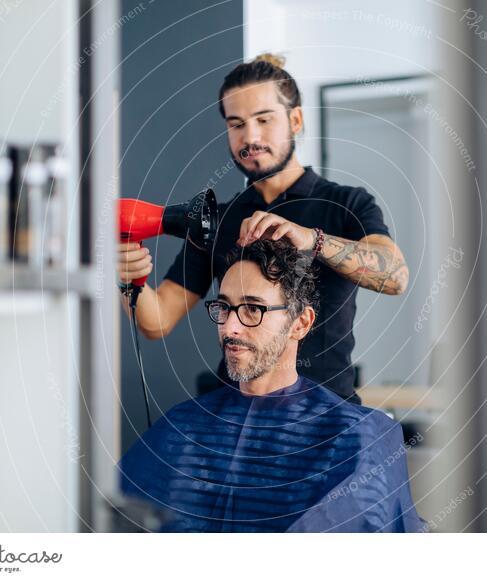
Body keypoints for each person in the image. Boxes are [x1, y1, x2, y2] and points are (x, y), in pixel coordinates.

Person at [117, 53, 409, 402]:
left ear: (296, 119)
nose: (250, 137)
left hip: (325, 417)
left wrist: (312, 240)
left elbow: (395, 276)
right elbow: (158, 319)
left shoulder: (347, 204)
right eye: (236, 124)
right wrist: (128, 278)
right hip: (234, 413)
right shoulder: (216, 220)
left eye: (264, 120)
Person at [118, 239, 424, 532]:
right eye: (224, 307)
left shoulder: (356, 437)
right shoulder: (180, 427)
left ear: (300, 323)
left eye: (253, 308)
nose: (230, 327)